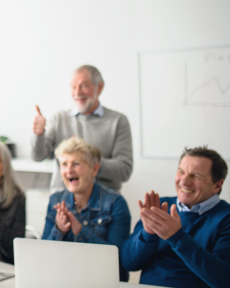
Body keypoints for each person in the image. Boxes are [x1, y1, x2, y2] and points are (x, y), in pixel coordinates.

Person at [121, 146, 230, 288]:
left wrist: (177, 237)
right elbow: (128, 264)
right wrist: (148, 234)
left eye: (195, 175)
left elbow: (224, 280)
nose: (184, 181)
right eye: (181, 172)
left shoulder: (226, 218)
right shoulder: (159, 206)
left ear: (217, 185)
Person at [31, 65, 133, 192]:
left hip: (104, 204)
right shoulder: (59, 118)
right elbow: (38, 156)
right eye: (73, 87)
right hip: (62, 200)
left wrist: (87, 160)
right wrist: (38, 135)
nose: (77, 93)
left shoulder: (118, 121)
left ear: (99, 87)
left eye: (83, 86)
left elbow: (124, 171)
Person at [42, 137, 131, 281]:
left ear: (94, 169)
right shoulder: (56, 200)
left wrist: (79, 231)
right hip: (64, 279)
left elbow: (118, 259)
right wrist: (59, 229)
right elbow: (42, 254)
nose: (68, 170)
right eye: (64, 164)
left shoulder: (116, 203)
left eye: (76, 164)